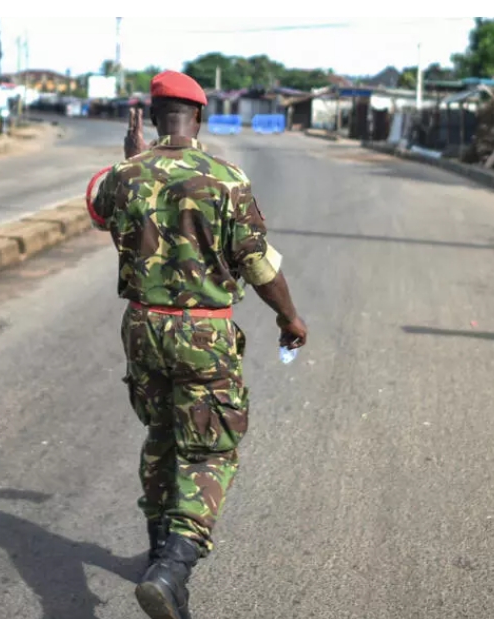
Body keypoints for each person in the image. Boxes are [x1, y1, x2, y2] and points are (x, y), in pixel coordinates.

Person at [90, 70, 307, 619]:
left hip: (142, 327)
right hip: (202, 334)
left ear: (152, 116)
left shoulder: (124, 175)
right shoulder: (227, 179)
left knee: (162, 434)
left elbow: (100, 212)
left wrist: (132, 159)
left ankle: (158, 558)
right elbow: (256, 264)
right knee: (209, 449)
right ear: (201, 117)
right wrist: (289, 317)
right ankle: (173, 568)